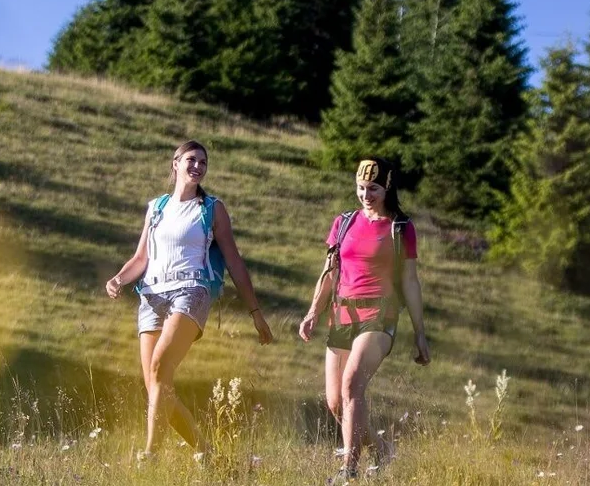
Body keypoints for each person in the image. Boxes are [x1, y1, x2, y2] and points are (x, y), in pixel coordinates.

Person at [105, 140, 275, 459]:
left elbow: (234, 260)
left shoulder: (211, 209)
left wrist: (255, 311)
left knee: (159, 367)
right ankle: (208, 454)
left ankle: (149, 454)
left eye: (203, 162)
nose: (197, 166)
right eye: (191, 160)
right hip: (151, 295)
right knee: (157, 386)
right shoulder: (156, 208)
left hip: (191, 291)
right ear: (176, 164)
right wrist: (118, 278)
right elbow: (140, 258)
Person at [298, 158, 430, 479]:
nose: (365, 194)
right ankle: (382, 450)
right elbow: (329, 272)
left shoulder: (400, 227)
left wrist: (420, 333)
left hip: (379, 315)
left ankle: (349, 470)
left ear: (387, 187)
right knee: (335, 403)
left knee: (352, 384)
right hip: (342, 314)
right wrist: (313, 311)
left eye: (373, 188)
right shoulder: (343, 222)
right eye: (360, 188)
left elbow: (410, 282)